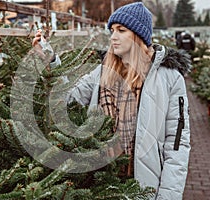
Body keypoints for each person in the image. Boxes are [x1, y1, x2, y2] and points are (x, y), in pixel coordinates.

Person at [32, 2, 191, 200]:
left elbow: (177, 144)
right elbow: (69, 99)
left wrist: (168, 196)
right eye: (112, 30)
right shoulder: (102, 72)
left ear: (138, 36)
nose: (113, 37)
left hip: (143, 187)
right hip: (102, 183)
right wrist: (50, 59)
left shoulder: (169, 78)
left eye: (121, 30)